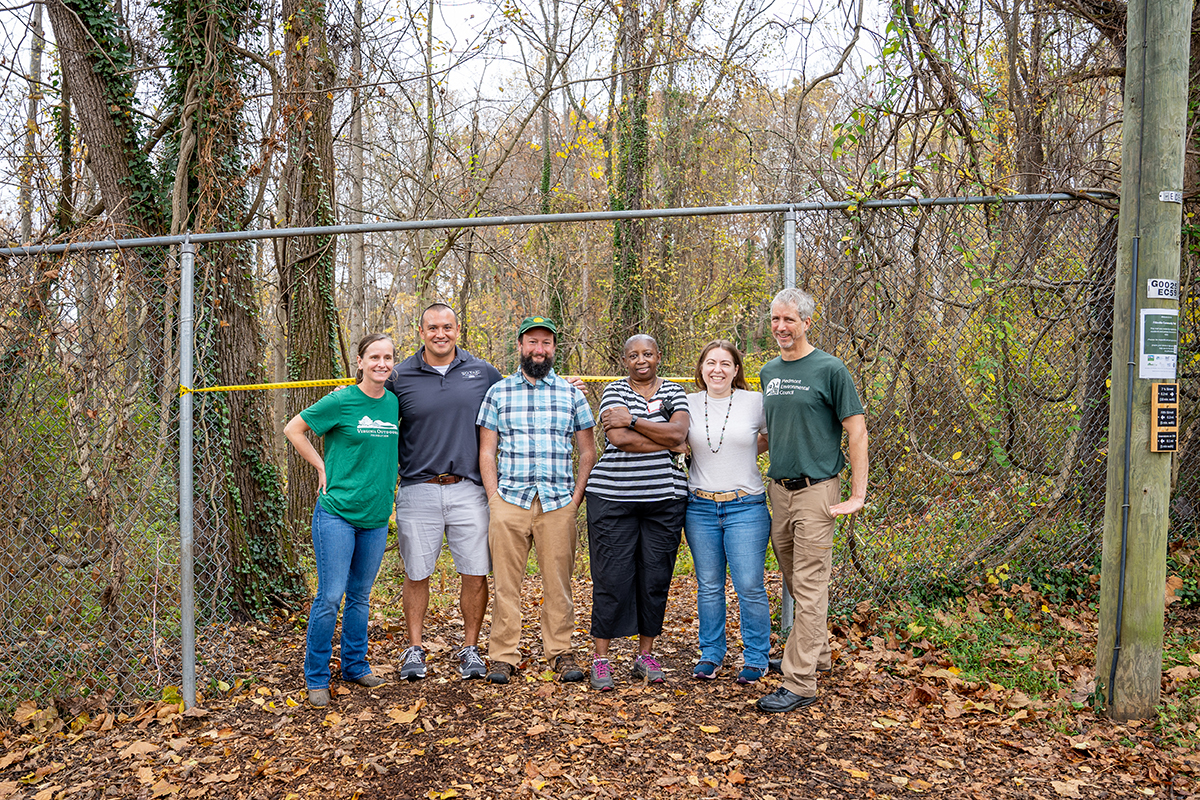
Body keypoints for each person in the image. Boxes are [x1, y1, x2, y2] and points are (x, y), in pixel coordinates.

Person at [756, 288, 868, 713]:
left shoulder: (829, 369)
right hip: (779, 491)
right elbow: (772, 435)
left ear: (806, 322)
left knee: (808, 584)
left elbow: (856, 431)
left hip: (817, 490)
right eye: (775, 320)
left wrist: (858, 493)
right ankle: (815, 655)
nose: (781, 328)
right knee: (793, 578)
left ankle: (800, 681)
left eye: (789, 320)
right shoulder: (768, 371)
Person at [476, 316, 597, 684]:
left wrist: (576, 498)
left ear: (554, 348)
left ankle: (560, 651)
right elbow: (486, 451)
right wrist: (494, 498)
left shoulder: (572, 394)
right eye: (532, 342)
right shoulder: (498, 393)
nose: (539, 350)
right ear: (520, 346)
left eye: (546, 343)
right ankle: (502, 655)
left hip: (558, 502)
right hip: (509, 501)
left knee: (558, 583)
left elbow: (588, 451)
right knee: (505, 583)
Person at [385, 303, 503, 681]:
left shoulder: (482, 371)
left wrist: (563, 385)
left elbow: (518, 396)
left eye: (447, 327)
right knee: (417, 572)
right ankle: (415, 649)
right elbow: (368, 401)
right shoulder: (399, 374)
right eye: (433, 327)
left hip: (469, 488)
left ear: (457, 330)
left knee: (474, 571)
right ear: (421, 332)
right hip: (417, 489)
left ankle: (470, 648)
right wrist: (346, 392)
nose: (441, 334)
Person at [284, 333, 400, 708]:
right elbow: (293, 429)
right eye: (374, 357)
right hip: (337, 513)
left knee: (361, 597)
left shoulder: (394, 403)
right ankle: (316, 676)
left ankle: (354, 665)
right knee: (331, 595)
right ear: (361, 361)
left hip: (376, 516)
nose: (382, 363)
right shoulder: (341, 400)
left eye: (388, 357)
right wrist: (320, 466)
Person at [585, 335, 689, 690]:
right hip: (613, 497)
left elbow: (680, 430)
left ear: (659, 356)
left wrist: (633, 420)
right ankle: (601, 658)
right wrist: (666, 438)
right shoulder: (614, 390)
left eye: (647, 354)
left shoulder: (675, 389)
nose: (641, 360)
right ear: (624, 360)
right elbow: (618, 440)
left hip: (666, 499)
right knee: (611, 577)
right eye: (633, 355)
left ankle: (644, 655)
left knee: (655, 577)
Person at [683, 340, 772, 684]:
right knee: (708, 585)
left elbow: (767, 438)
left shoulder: (754, 402)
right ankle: (712, 653)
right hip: (700, 507)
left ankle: (755, 656)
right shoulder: (687, 403)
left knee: (749, 584)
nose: (716, 369)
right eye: (710, 363)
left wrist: (746, 450)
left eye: (725, 364)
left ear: (736, 370)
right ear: (701, 368)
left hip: (745, 505)